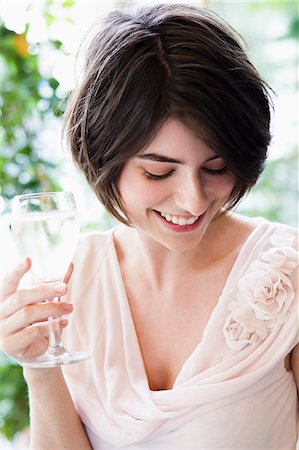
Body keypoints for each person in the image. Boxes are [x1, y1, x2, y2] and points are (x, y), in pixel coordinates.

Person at [1, 3, 298, 449]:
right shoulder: (71, 279)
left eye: (216, 167)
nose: (193, 200)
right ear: (106, 159)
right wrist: (39, 367)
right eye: (158, 173)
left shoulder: (287, 277)